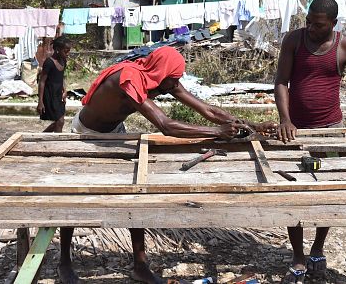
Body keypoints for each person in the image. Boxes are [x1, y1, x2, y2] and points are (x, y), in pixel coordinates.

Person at [58, 45, 275, 284]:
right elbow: (165, 125)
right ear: (162, 73)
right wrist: (216, 132)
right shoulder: (128, 78)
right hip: (86, 133)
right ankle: (64, 263)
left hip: (114, 132)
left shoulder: (161, 77)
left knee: (135, 195)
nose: (173, 86)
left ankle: (140, 266)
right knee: (74, 193)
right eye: (172, 81)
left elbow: (207, 109)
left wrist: (247, 125)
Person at [274, 0, 346, 283]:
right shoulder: (294, 41)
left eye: (317, 24)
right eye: (308, 21)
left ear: (333, 24)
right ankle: (297, 254)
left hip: (331, 129)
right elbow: (281, 82)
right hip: (296, 130)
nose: (310, 27)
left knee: (325, 187)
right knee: (295, 189)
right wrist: (285, 119)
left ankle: (318, 247)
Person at [37, 36, 71, 133]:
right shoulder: (49, 62)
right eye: (65, 51)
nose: (68, 54)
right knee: (60, 121)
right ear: (57, 49)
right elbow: (42, 81)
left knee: (59, 122)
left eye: (69, 51)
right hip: (50, 95)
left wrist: (65, 90)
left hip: (58, 95)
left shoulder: (63, 61)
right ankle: (58, 143)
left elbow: (62, 77)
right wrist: (40, 102)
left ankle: (42, 137)